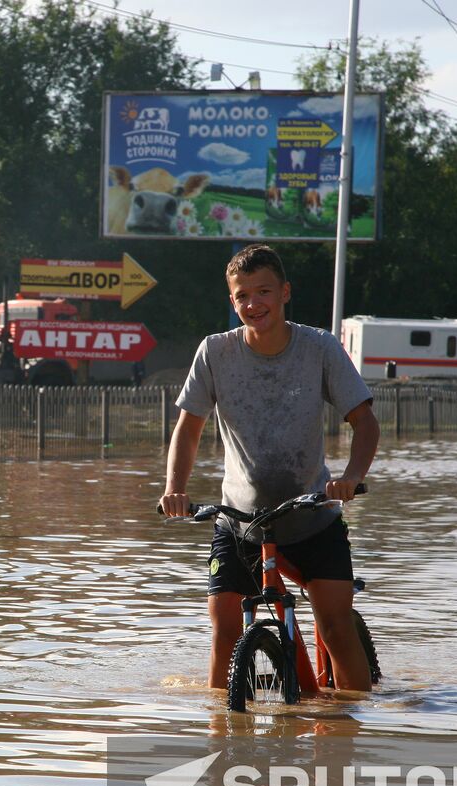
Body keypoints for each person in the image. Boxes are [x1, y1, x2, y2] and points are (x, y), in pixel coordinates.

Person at [160, 244, 380, 692]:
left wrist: (352, 478)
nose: (252, 304)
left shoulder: (319, 347)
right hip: (239, 522)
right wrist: (175, 489)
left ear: (284, 293)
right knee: (224, 630)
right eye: (242, 296)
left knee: (336, 627)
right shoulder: (214, 352)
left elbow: (365, 422)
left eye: (263, 292)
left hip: (313, 517)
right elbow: (188, 429)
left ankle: (353, 728)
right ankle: (220, 732)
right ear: (232, 302)